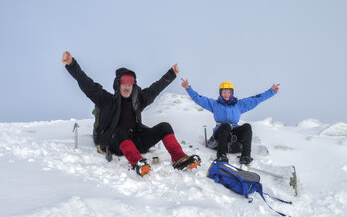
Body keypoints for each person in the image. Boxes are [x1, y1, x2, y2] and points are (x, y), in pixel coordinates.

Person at [62, 51, 200, 176]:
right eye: (124, 84)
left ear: (133, 86)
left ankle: (178, 158)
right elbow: (87, 84)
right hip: (115, 143)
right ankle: (138, 163)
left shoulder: (138, 100)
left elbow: (154, 89)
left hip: (136, 142)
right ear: (118, 85)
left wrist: (171, 74)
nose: (127, 87)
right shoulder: (106, 101)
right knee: (121, 131)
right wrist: (71, 64)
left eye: (130, 84)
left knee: (165, 126)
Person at [181, 78, 279, 165]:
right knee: (226, 125)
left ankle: (245, 156)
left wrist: (271, 91)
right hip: (219, 134)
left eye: (228, 92)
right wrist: (188, 88)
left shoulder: (239, 105)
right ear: (220, 93)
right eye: (224, 92)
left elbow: (256, 99)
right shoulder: (215, 104)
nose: (226, 95)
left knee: (247, 126)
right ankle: (221, 155)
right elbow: (199, 99)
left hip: (233, 134)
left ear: (232, 93)